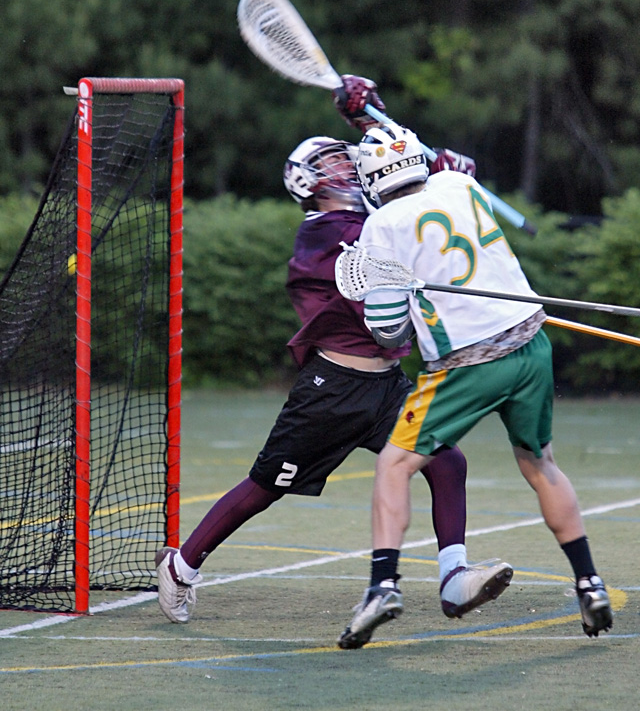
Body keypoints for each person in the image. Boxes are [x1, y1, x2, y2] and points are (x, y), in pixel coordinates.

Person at [155, 120, 511, 632]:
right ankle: (180, 566)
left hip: (387, 387)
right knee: (265, 486)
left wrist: (441, 178)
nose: (346, 167)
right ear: (306, 184)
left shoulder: (377, 217)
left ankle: (454, 575)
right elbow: (391, 233)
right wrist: (438, 175)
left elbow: (406, 220)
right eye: (331, 164)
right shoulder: (324, 232)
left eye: (349, 159)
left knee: (446, 461)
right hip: (334, 391)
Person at [336, 119, 613, 648]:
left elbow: (389, 331)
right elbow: (444, 162)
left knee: (395, 465)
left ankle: (382, 587)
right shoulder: (458, 185)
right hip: (530, 341)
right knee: (540, 463)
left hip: (468, 360)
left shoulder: (382, 226)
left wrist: (370, 293)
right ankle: (589, 583)